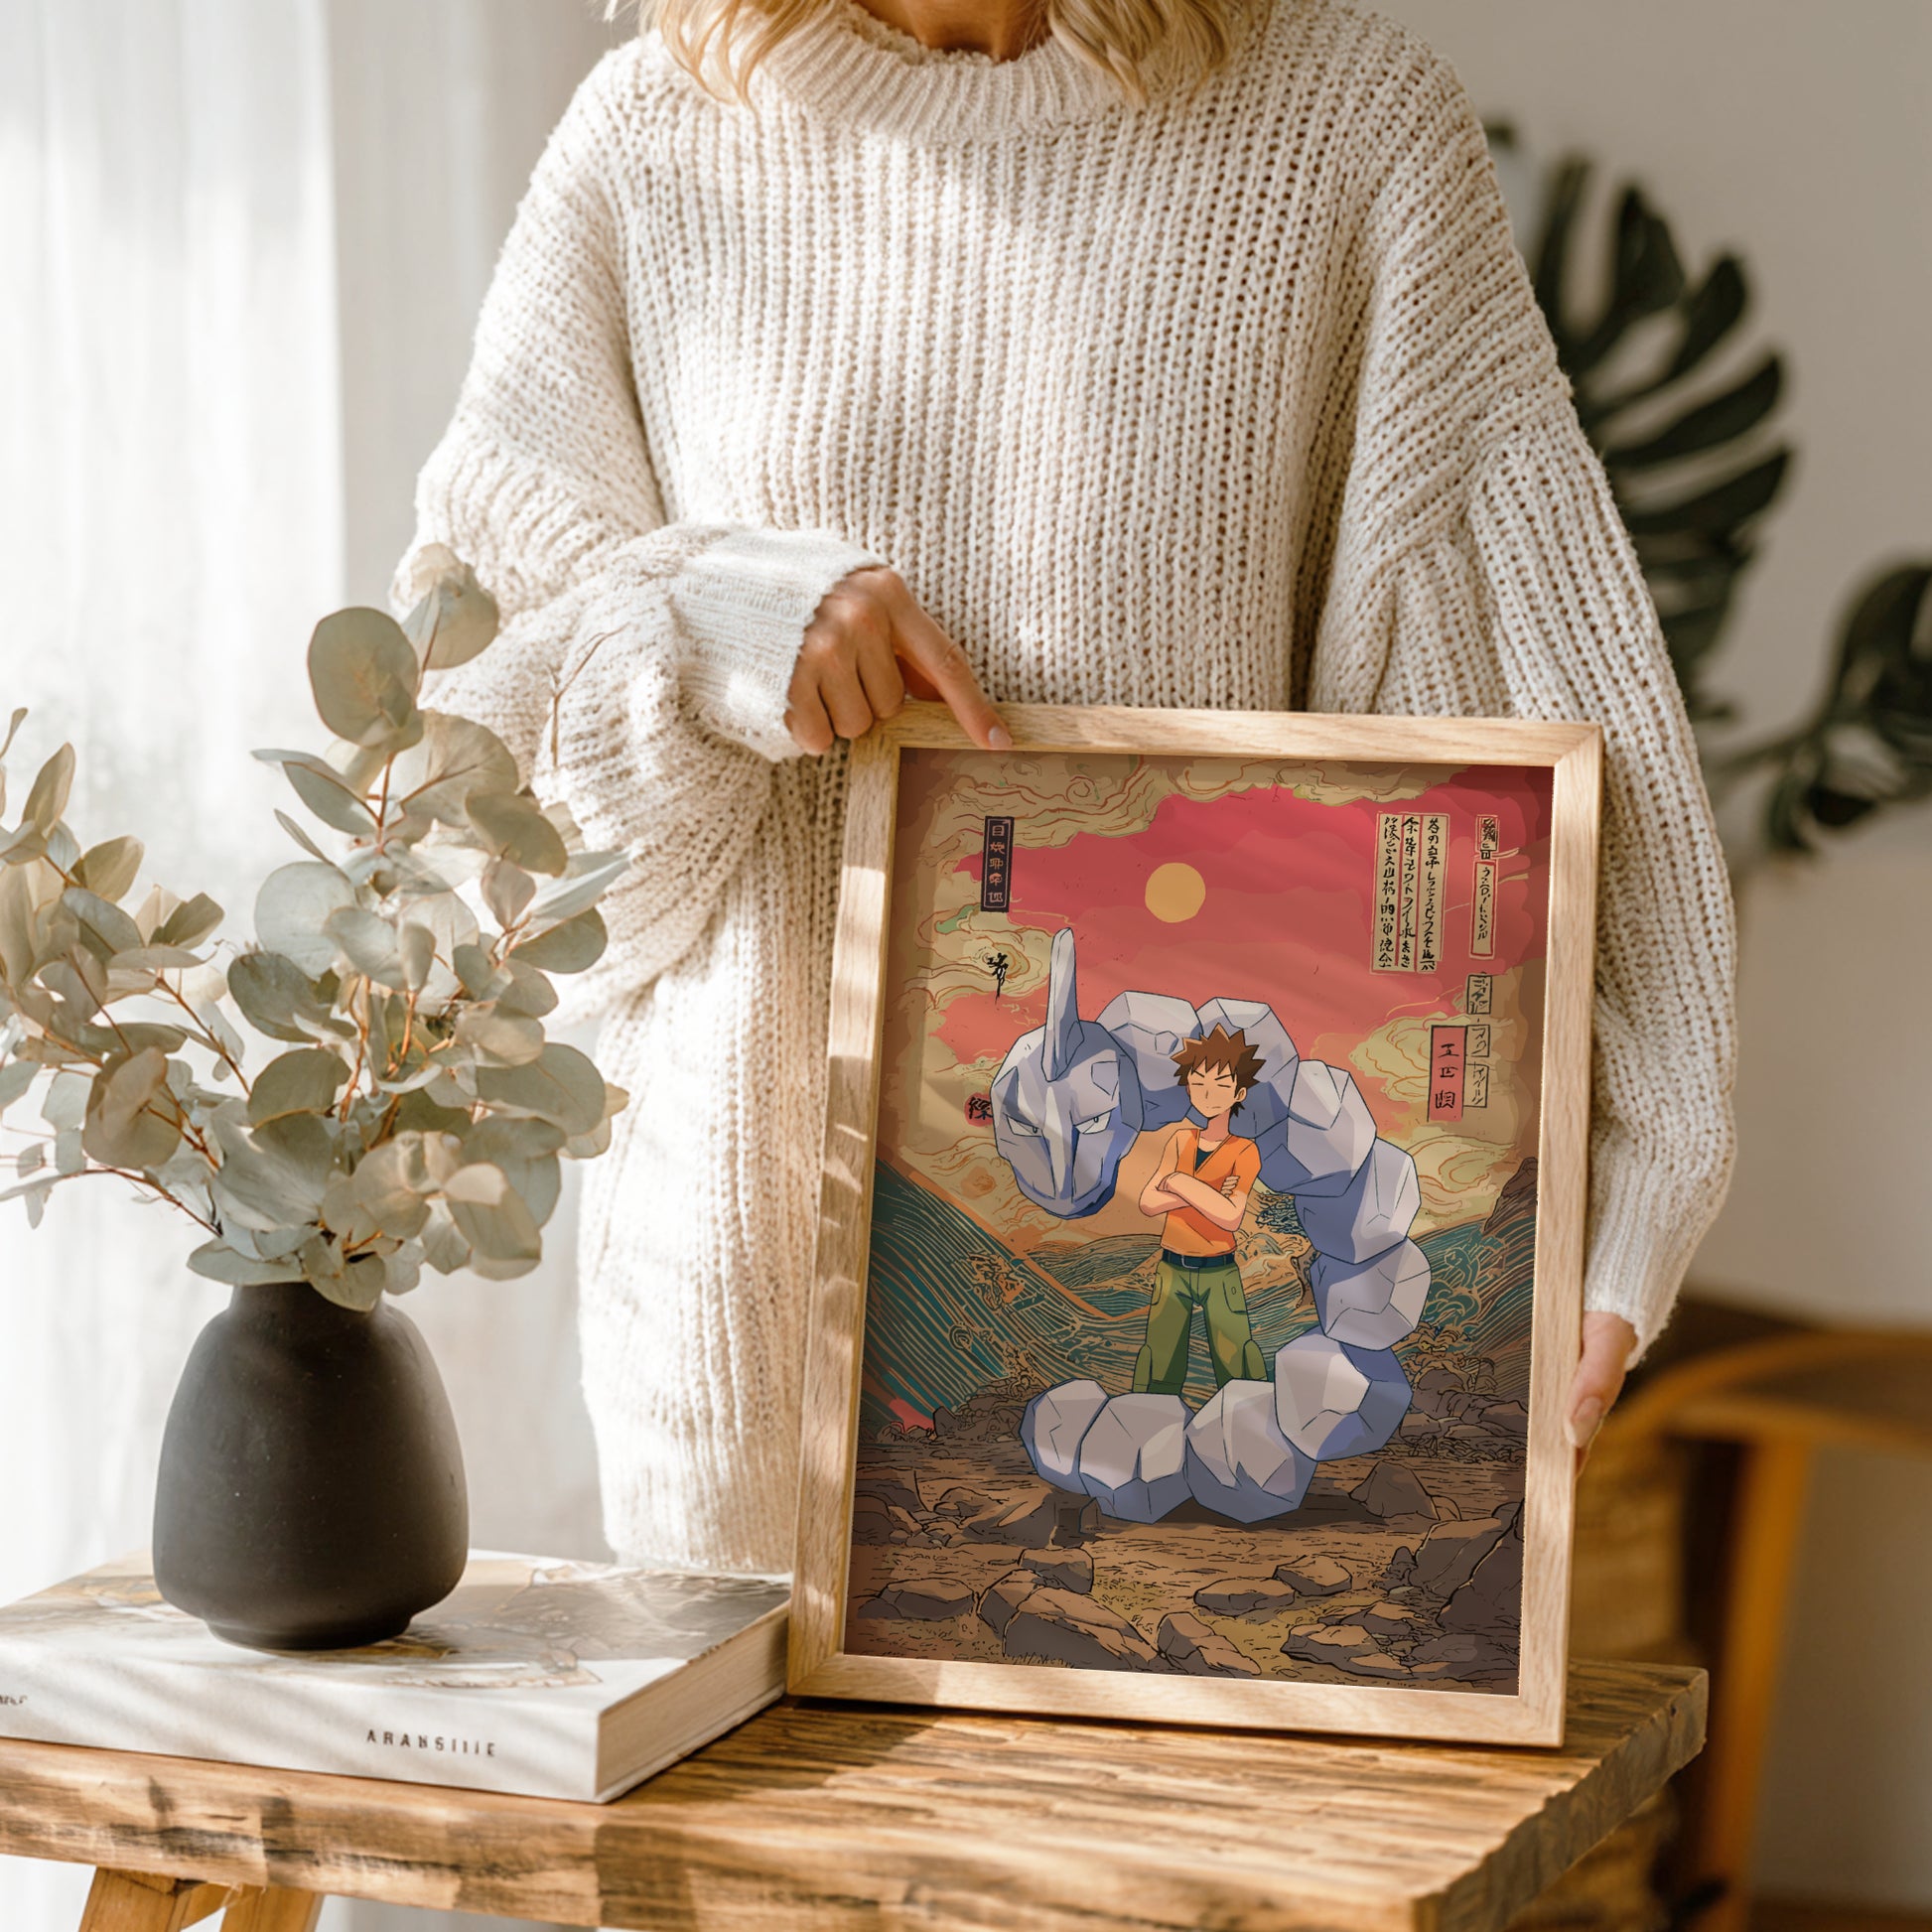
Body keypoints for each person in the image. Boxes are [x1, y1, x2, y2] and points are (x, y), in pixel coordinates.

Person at [390, 0, 1736, 1576]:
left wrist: (1627, 1173)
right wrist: (706, 621)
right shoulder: (648, 142)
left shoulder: (1345, 128)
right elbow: (465, 821)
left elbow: (1519, 711)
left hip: (1221, 1405)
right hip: (736, 1354)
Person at [1133, 1027, 1269, 1396]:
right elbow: (1148, 1203)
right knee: (1160, 1363)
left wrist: (1178, 1181)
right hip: (1171, 1267)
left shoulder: (1245, 1150)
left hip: (1218, 1269)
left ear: (1239, 1093)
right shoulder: (1180, 1139)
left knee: (1236, 1361)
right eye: (1199, 1083)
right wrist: (1207, 1192)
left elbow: (1230, 1217)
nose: (1208, 1094)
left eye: (1221, 1085)